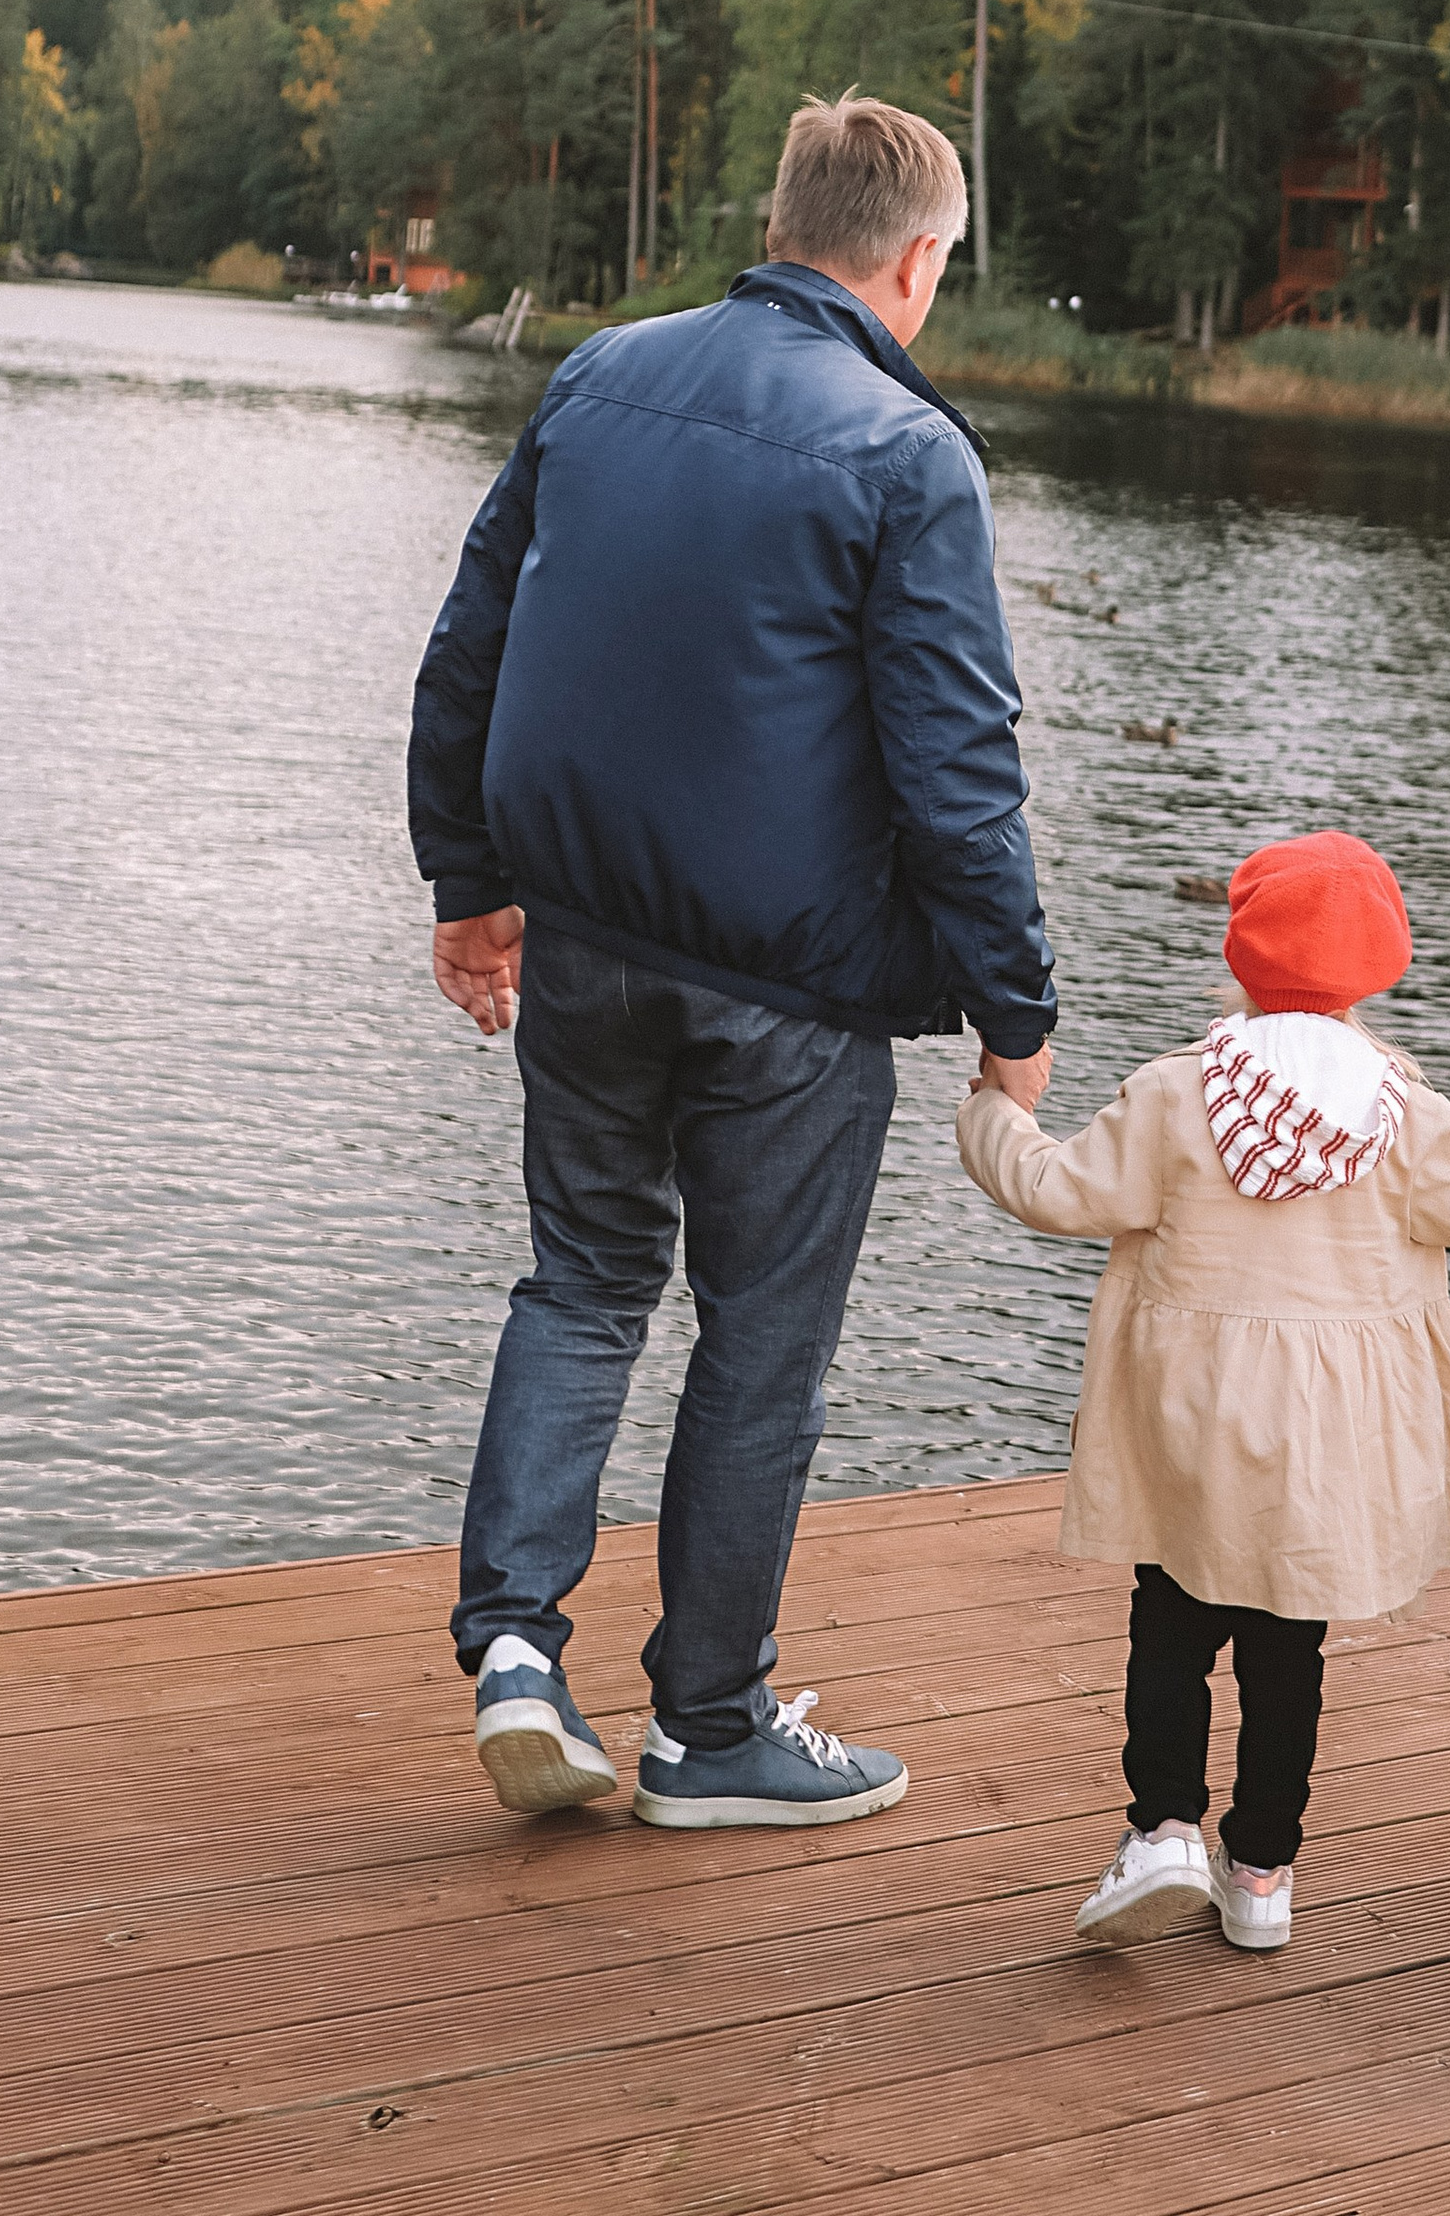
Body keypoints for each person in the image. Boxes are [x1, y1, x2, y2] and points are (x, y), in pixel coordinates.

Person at [408, 93, 1057, 1830]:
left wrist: (470, 883)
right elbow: (957, 767)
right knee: (761, 1342)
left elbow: (472, 640)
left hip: (587, 951)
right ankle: (709, 1725)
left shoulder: (601, 373)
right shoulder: (909, 453)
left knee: (584, 1284)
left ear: (784, 221)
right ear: (917, 260)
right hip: (789, 1000)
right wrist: (1018, 1008)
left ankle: (519, 1652)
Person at [959, 830, 1450, 1953]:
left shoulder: (1179, 1095)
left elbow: (1051, 1189)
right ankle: (1263, 1870)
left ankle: (1162, 1828)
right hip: (1325, 1444)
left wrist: (995, 1102)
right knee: (1288, 1655)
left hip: (1186, 1420)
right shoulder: (1402, 1115)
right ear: (1381, 968)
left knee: (1169, 1627)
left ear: (1239, 958)